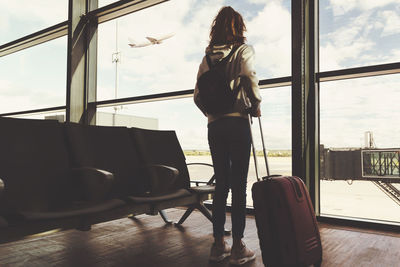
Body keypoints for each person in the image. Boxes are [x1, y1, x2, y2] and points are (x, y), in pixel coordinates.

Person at [193, 6, 262, 266]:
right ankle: (238, 247)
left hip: (215, 126)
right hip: (237, 123)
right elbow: (249, 76)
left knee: (221, 184)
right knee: (239, 185)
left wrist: (212, 114)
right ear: (239, 27)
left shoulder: (206, 59)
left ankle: (217, 244)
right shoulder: (244, 50)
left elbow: (197, 96)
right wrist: (255, 103)